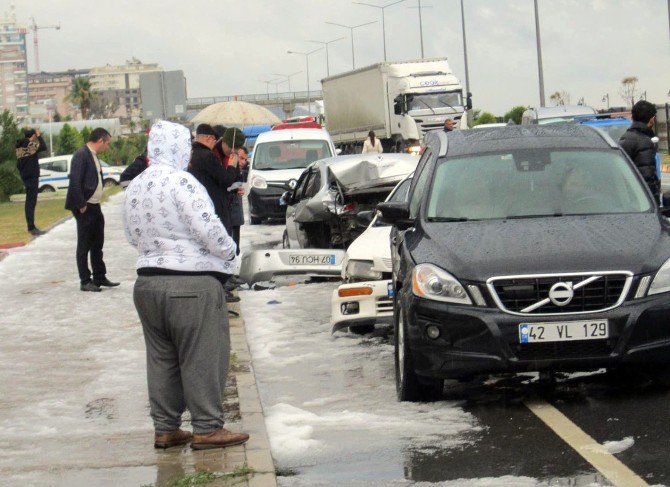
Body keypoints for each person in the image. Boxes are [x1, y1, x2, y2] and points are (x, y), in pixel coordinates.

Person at [123, 120, 249, 450]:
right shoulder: (183, 183)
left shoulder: (137, 185)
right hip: (191, 284)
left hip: (147, 283)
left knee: (162, 358)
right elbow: (209, 229)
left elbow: (128, 234)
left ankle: (165, 428)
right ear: (180, 148)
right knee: (203, 355)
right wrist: (230, 253)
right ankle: (207, 428)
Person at [64, 128, 119, 292]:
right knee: (84, 244)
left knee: (97, 242)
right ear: (100, 140)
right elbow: (74, 181)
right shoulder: (81, 154)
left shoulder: (93, 156)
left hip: (95, 205)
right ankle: (85, 280)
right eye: (107, 143)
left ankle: (99, 276)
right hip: (85, 206)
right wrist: (81, 204)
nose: (107, 147)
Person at [619, 100, 659, 201]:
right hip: (641, 201)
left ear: (632, 117)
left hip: (626, 198)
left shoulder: (624, 138)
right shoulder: (644, 142)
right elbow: (647, 178)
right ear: (652, 119)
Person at [15, 128, 47, 236]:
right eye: (34, 136)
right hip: (32, 177)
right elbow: (43, 146)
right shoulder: (29, 145)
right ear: (32, 136)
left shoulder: (20, 146)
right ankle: (31, 227)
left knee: (29, 202)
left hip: (26, 176)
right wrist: (39, 136)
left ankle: (31, 226)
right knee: (31, 203)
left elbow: (18, 164)